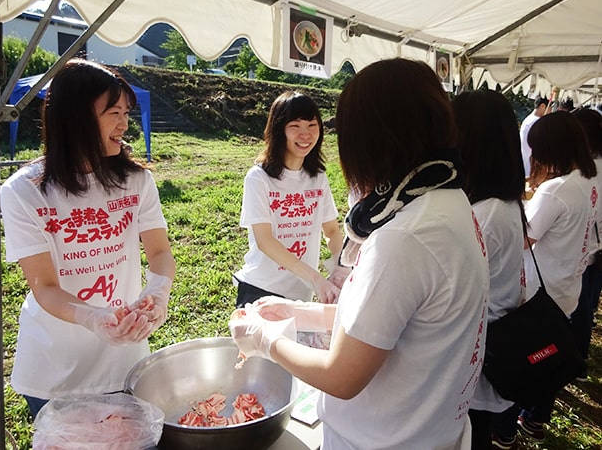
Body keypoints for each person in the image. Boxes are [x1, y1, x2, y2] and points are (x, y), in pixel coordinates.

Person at [229, 58, 489, 449]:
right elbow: (389, 319)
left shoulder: (404, 238)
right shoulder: (449, 202)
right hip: (431, 430)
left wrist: (264, 337)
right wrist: (301, 312)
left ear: (369, 138)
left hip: (382, 440)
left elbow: (341, 376)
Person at [0, 59, 176, 418]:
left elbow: (159, 251)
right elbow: (45, 287)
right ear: (75, 117)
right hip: (55, 369)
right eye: (114, 112)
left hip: (123, 358)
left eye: (126, 112)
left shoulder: (136, 181)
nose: (125, 124)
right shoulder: (25, 191)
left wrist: (158, 292)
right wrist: (94, 318)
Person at [514, 111, 597, 443]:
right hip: (567, 284)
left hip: (539, 289)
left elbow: (523, 238)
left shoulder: (556, 190)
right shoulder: (586, 181)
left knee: (528, 360)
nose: (533, 156)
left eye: (536, 149)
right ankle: (536, 418)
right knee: (548, 355)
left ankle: (515, 423)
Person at [452, 89, 527, 450]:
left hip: (481, 351)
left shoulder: (486, 213)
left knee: (473, 431)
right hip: (489, 340)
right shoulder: (501, 202)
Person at [232, 90, 347, 307]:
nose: (306, 135)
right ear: (278, 130)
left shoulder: (317, 177)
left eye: (312, 126)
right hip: (261, 291)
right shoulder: (259, 178)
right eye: (295, 126)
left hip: (301, 295)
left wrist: (341, 268)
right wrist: (315, 279)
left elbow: (331, 231)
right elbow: (264, 241)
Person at [570, 108, 602, 380]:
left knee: (578, 310)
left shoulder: (585, 171)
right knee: (586, 307)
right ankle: (579, 362)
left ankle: (574, 362)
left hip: (585, 249)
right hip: (595, 250)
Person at [519, 96, 549, 178]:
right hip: (531, 168)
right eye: (549, 107)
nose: (550, 111)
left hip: (526, 165)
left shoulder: (528, 119)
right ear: (542, 106)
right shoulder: (536, 122)